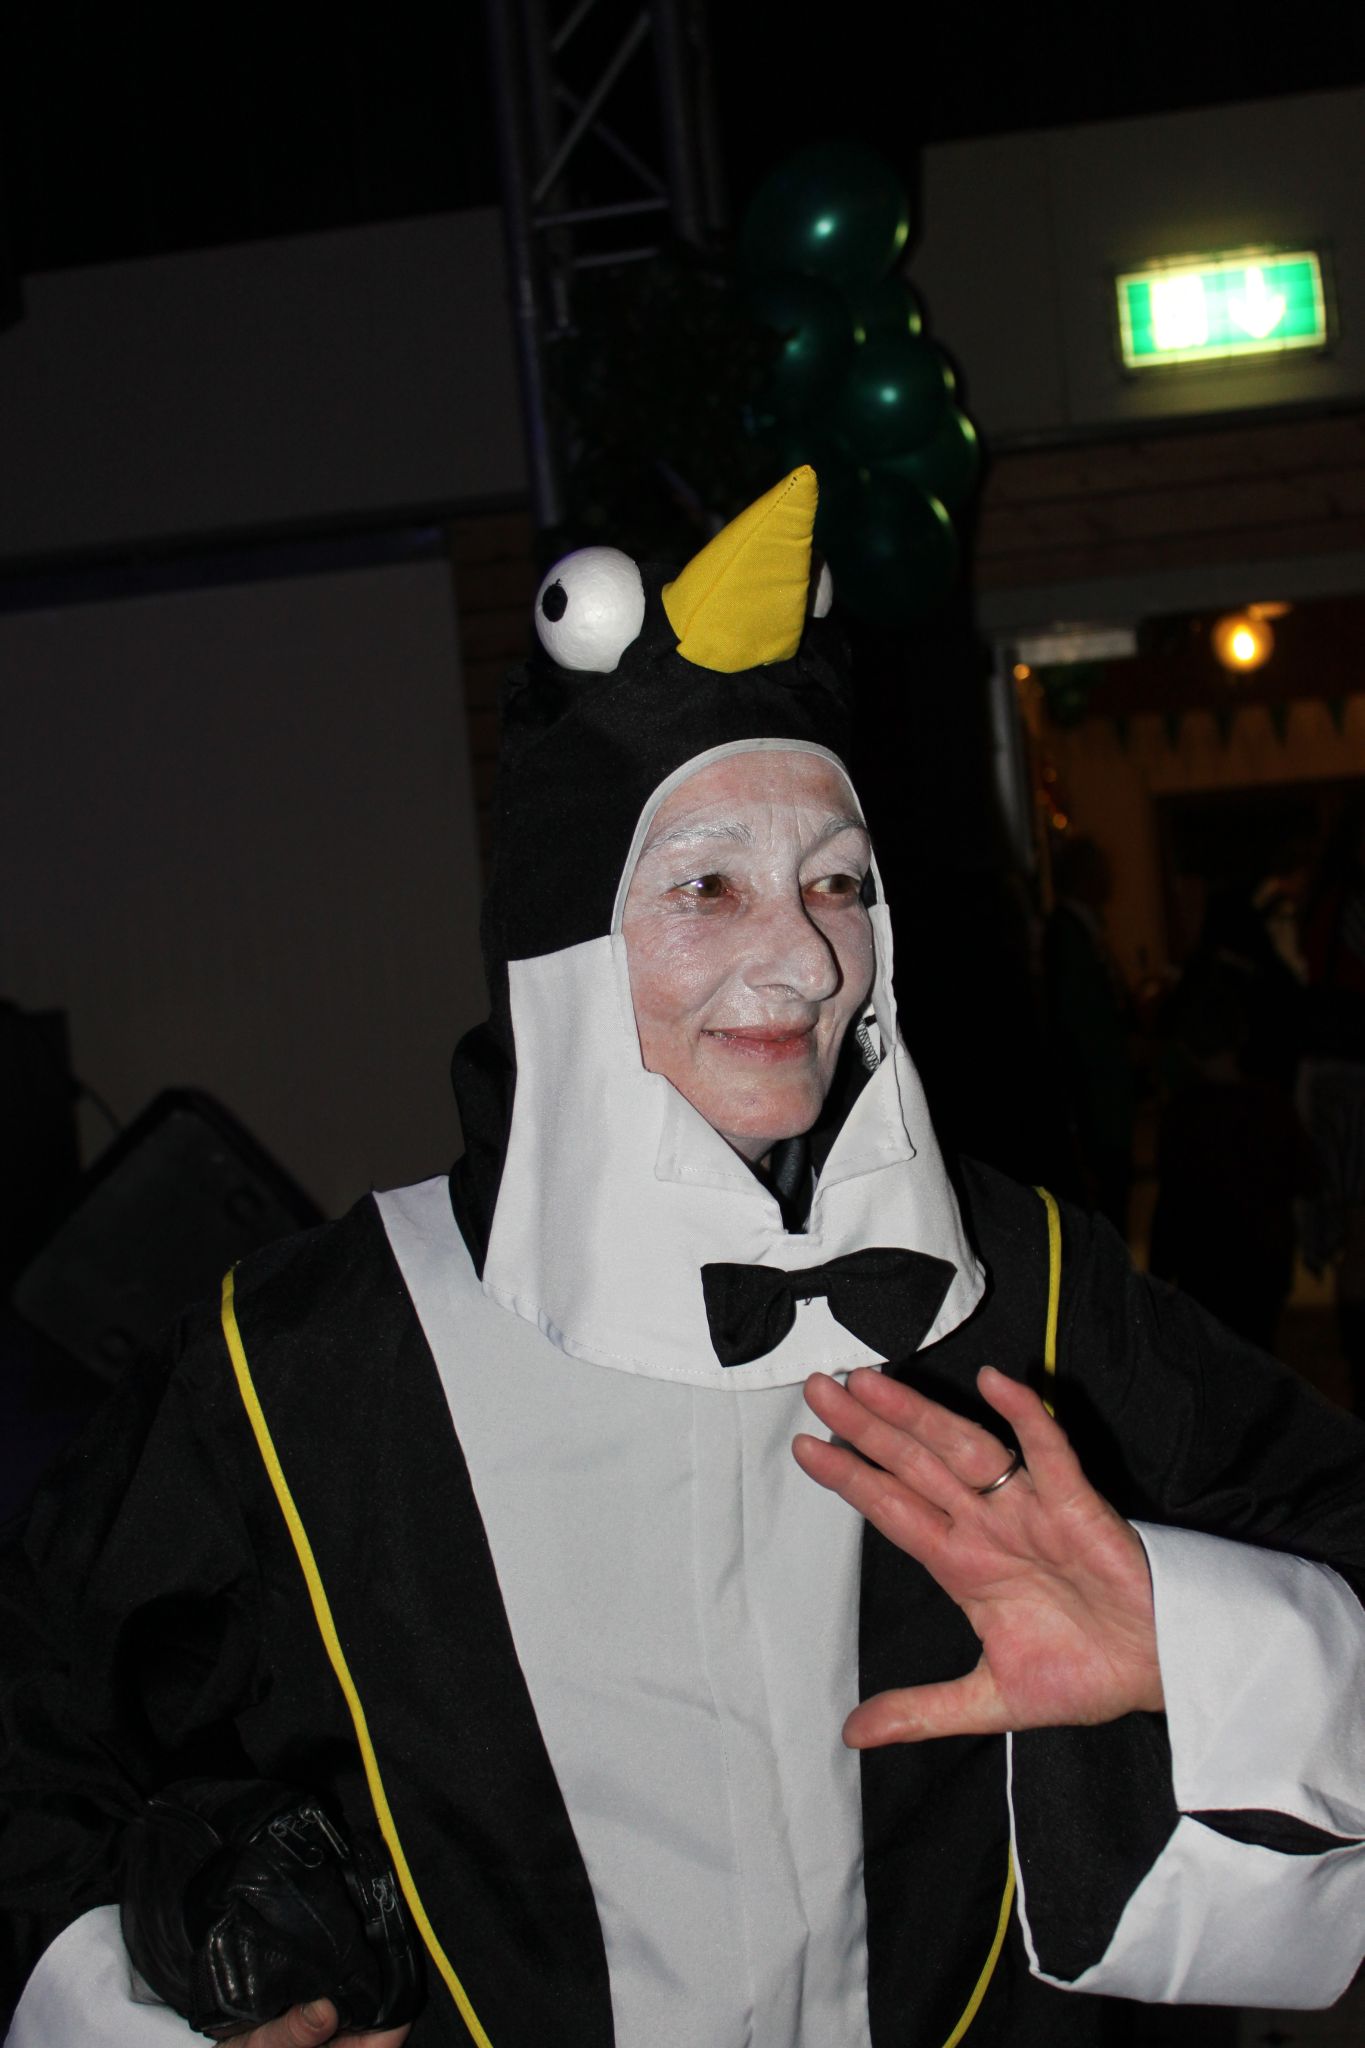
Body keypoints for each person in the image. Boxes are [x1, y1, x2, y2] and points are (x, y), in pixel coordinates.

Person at [3, 469, 1365, 2048]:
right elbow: (37, 1721)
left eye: (835, 881)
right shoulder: (307, 1354)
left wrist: (1191, 1643)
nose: (802, 960)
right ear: (568, 948)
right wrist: (157, 2015)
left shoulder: (1031, 1283)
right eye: (705, 886)